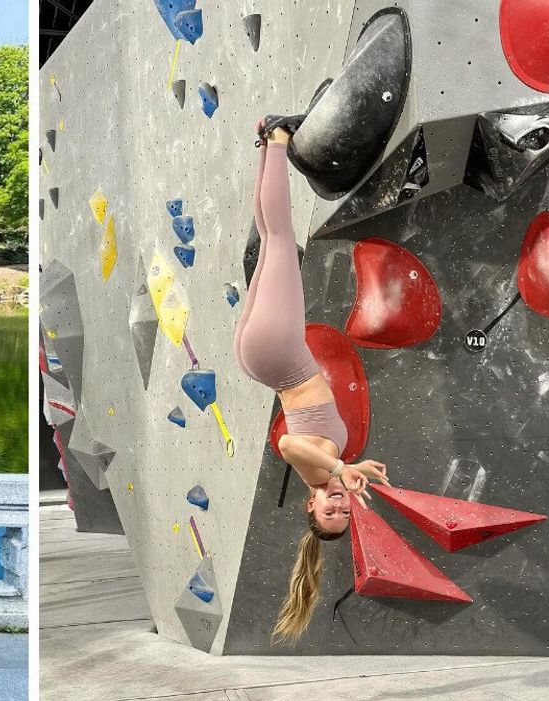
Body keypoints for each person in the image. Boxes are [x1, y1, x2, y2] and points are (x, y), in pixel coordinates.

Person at [233, 117, 390, 644]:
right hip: (269, 356)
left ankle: (278, 140)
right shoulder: (330, 473)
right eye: (343, 511)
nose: (339, 503)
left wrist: (341, 465)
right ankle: (266, 143)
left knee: (280, 238)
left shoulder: (312, 471)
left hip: (279, 354)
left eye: (330, 510)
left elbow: (287, 439)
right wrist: (348, 466)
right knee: (271, 238)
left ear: (311, 506)